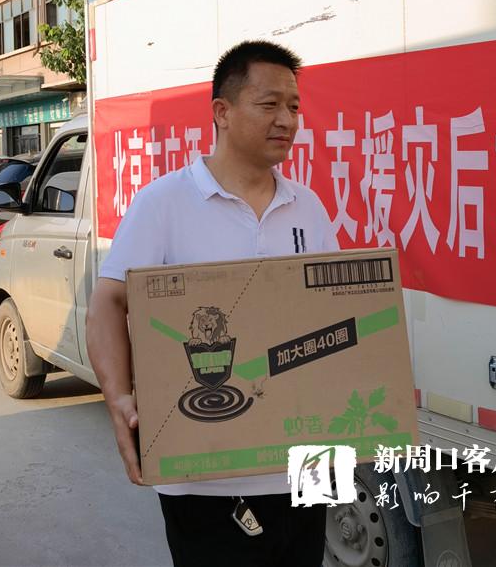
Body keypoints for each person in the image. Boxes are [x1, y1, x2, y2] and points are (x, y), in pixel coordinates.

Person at [87, 41, 338, 565]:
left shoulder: (308, 207)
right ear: (222, 112)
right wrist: (119, 399)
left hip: (307, 461)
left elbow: (332, 312)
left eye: (294, 106)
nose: (287, 120)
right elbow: (108, 303)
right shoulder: (164, 204)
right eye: (270, 105)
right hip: (202, 470)